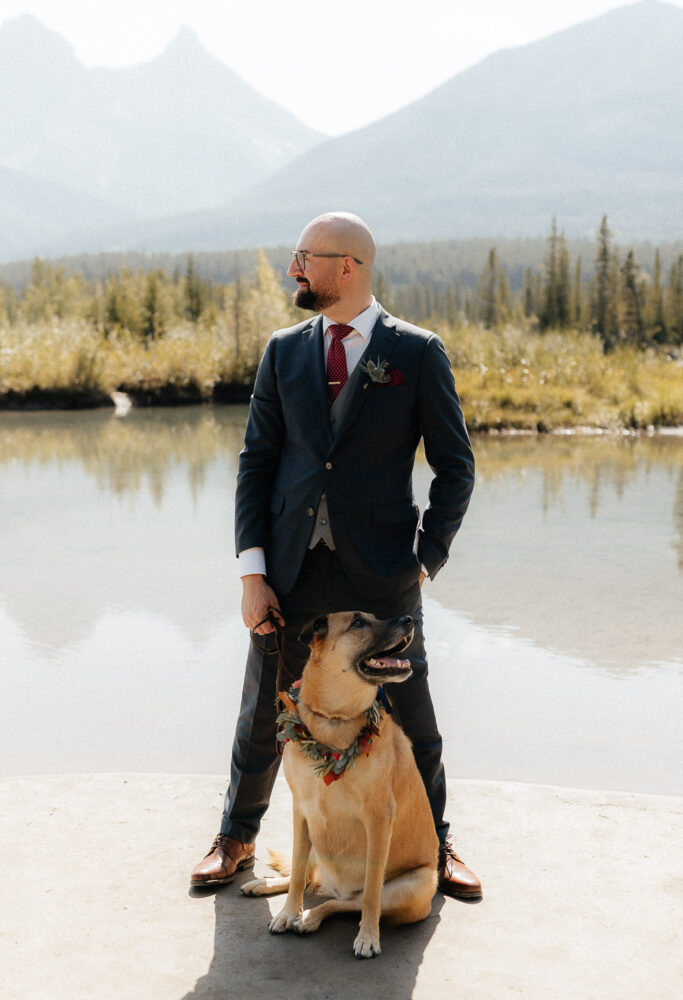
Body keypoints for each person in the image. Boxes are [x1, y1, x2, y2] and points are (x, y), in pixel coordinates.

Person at [191, 212, 480, 899]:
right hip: (290, 567)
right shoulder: (283, 350)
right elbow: (255, 465)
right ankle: (235, 836)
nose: (295, 268)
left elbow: (455, 467)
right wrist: (251, 573)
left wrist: (423, 559)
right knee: (265, 706)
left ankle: (437, 845)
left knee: (411, 714)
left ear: (346, 266)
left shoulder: (415, 352)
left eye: (305, 257)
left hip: (381, 570)